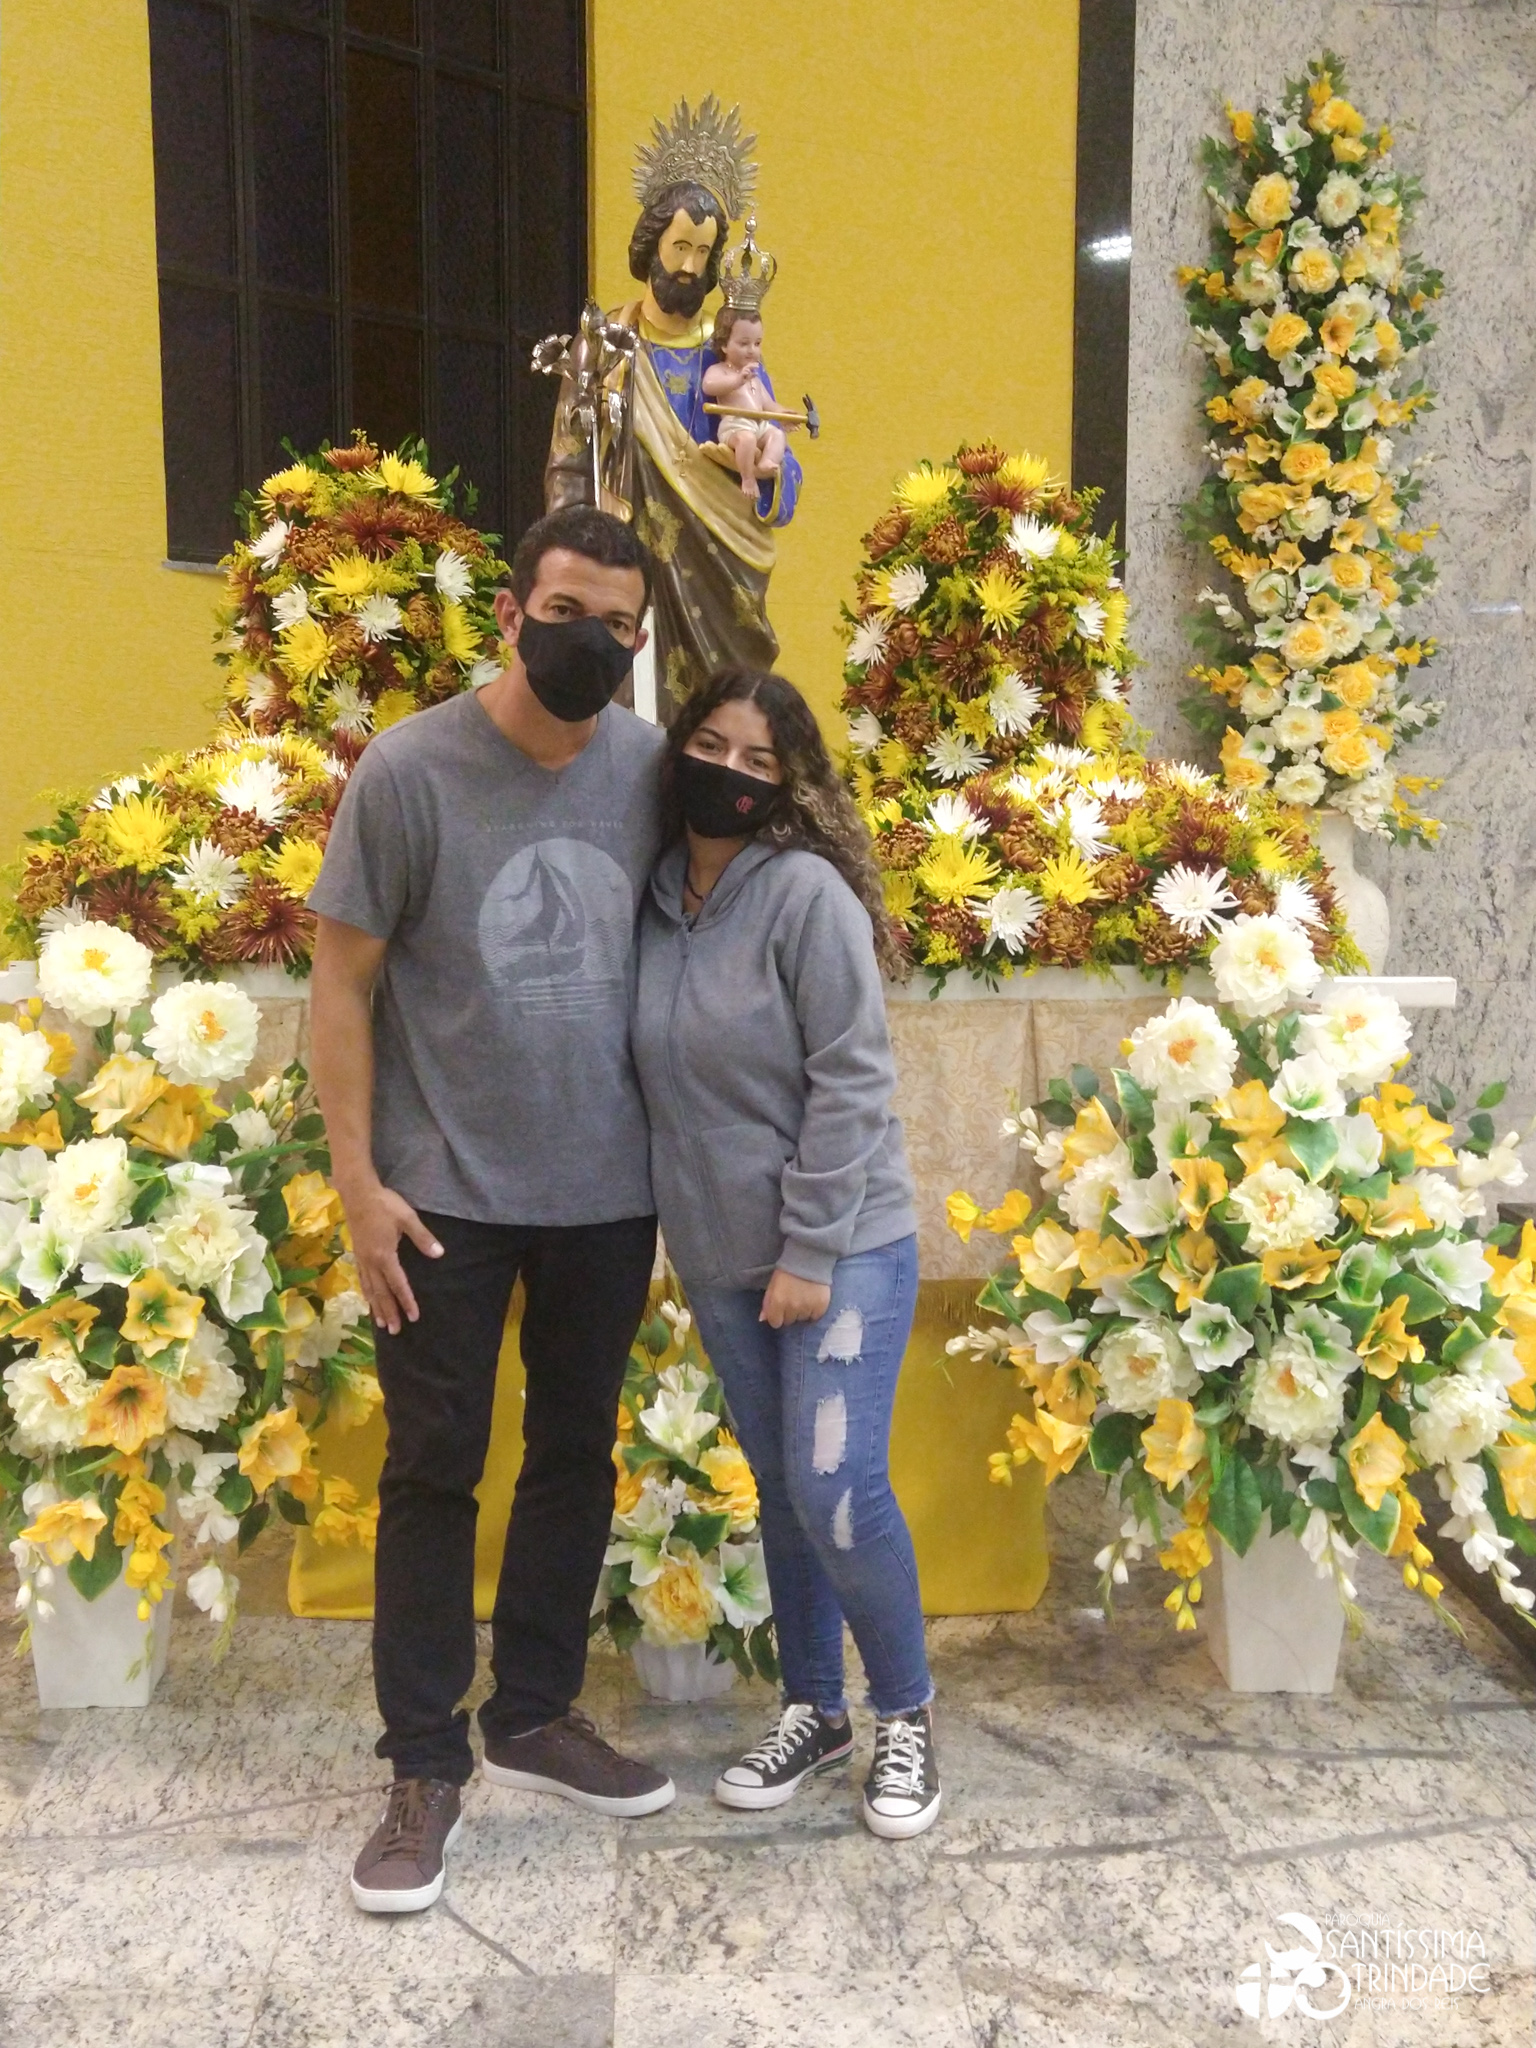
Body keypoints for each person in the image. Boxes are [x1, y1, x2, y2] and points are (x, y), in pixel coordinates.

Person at [308, 505, 677, 1917]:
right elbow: (341, 983)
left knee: (575, 1452)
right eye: (567, 611)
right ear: (514, 612)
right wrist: (359, 1185)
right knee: (433, 1468)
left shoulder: (647, 769)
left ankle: (532, 1710)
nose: (591, 640)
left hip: (605, 1191)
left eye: (618, 625)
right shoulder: (411, 770)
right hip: (442, 1194)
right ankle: (422, 1764)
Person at [630, 668, 942, 1840]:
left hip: (840, 1245)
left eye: (760, 760)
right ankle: (815, 1708)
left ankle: (905, 1710)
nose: (731, 771)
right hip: (720, 1251)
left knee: (835, 1483)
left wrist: (808, 1246)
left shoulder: (807, 894)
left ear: (790, 782)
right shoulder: (654, 899)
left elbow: (853, 1077)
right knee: (782, 1488)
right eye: (713, 745)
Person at [704, 305, 788, 499]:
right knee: (747, 440)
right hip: (735, 426)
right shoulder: (721, 370)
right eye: (744, 344)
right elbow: (708, 386)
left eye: (757, 344)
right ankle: (748, 478)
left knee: (776, 435)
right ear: (724, 345)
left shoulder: (755, 378)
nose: (752, 350)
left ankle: (766, 461)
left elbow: (768, 405)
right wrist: (737, 380)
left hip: (758, 424)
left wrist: (784, 415)